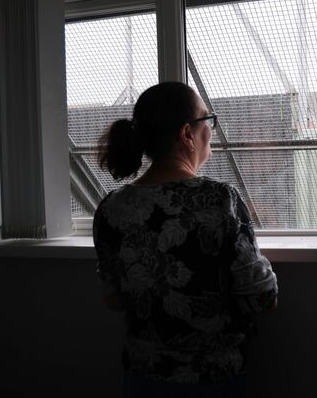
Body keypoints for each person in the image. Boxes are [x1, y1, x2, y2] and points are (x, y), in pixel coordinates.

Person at [93, 81, 278, 397]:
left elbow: (114, 300)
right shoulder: (219, 200)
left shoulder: (111, 209)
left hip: (142, 376)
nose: (211, 130)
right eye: (207, 121)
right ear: (186, 134)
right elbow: (263, 299)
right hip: (213, 379)